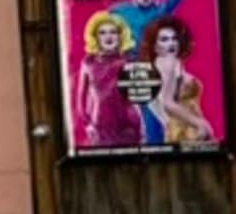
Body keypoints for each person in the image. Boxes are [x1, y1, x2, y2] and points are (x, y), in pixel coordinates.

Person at [73, 11, 144, 151]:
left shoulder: (128, 61)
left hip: (127, 126)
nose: (108, 37)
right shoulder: (88, 63)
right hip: (99, 126)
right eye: (102, 32)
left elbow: (140, 94)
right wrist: (88, 124)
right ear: (95, 37)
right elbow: (80, 98)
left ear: (121, 36)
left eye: (113, 32)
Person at [147, 15, 216, 148]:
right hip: (186, 130)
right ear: (155, 46)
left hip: (183, 129)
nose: (171, 43)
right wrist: (200, 123)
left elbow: (156, 103)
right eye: (164, 40)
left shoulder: (165, 64)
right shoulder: (168, 63)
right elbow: (167, 103)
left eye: (174, 39)